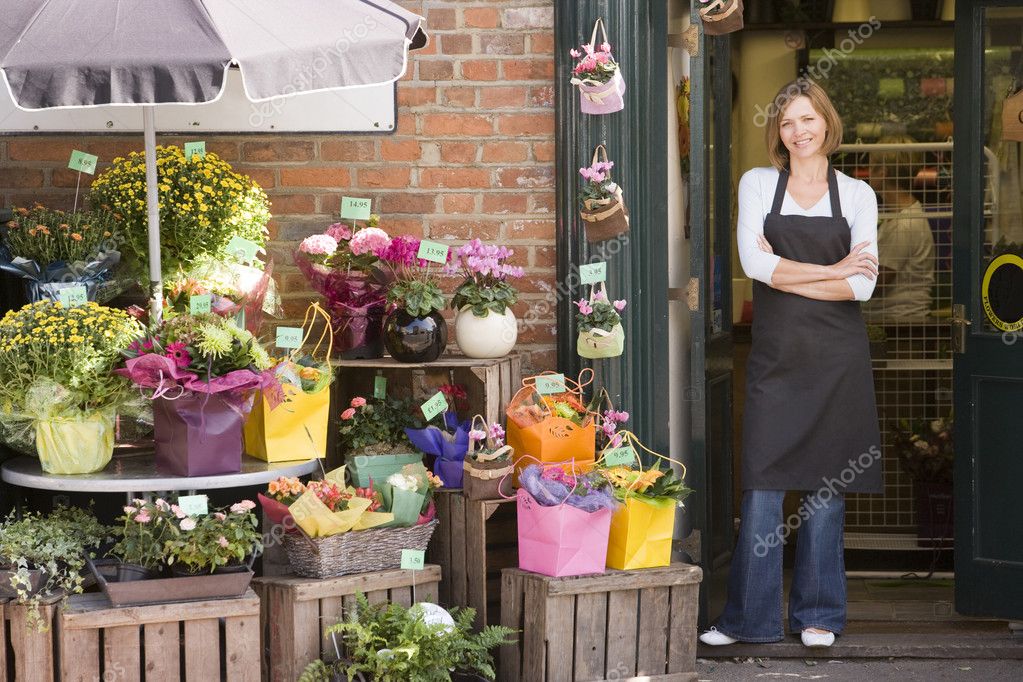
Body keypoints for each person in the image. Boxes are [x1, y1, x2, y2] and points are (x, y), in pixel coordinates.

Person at [699, 79, 883, 649]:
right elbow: (754, 263)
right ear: (776, 133)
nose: (798, 132)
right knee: (763, 484)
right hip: (777, 360)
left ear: (826, 122)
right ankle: (747, 619)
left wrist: (794, 270)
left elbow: (864, 288)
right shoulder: (758, 183)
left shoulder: (857, 194)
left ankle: (818, 615)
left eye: (806, 119)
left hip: (836, 361)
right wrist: (831, 271)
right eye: (786, 123)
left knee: (827, 486)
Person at [861, 135, 935, 321]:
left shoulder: (904, 224)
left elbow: (878, 282)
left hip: (899, 325)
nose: (867, 172)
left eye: (871, 166)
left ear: (883, 172)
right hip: (891, 320)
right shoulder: (899, 217)